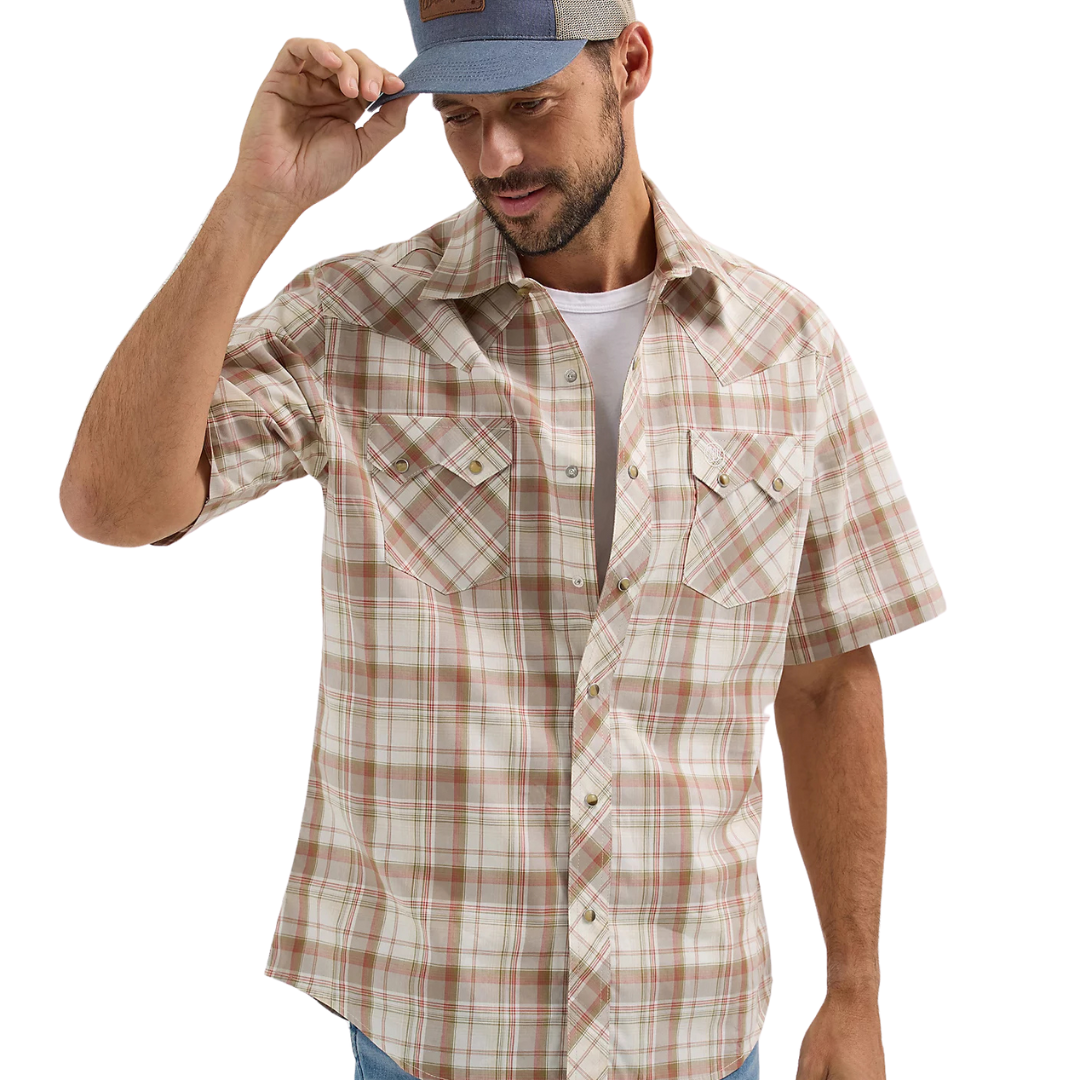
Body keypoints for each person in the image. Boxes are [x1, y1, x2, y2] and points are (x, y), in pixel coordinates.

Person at [59, 2, 947, 1078]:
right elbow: (112, 503)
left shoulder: (784, 347)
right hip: (436, 1037)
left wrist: (855, 989)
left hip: (693, 1031)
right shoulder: (357, 322)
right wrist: (257, 205)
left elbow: (828, 681)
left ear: (630, 63)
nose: (497, 157)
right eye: (460, 116)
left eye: (531, 105)